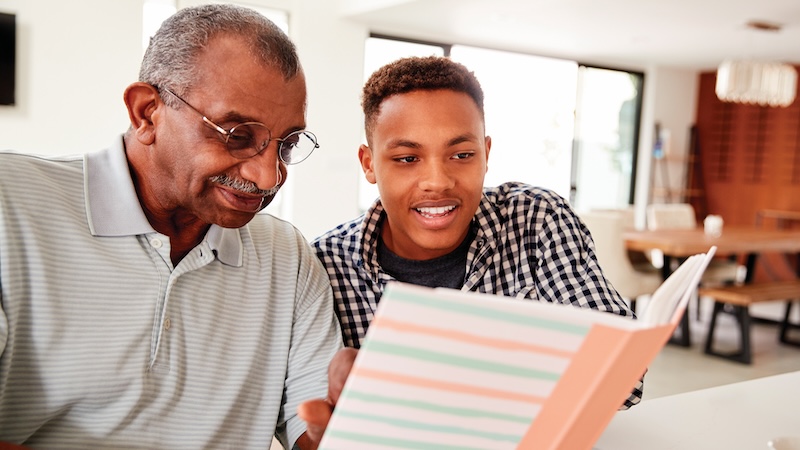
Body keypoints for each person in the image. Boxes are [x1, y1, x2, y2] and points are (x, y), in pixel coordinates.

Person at [0, 4, 350, 449]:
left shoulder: (287, 256)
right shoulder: (9, 205)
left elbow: (315, 432)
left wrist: (350, 426)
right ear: (147, 112)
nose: (268, 177)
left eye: (287, 144)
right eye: (237, 135)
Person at [313, 55, 643, 409]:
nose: (438, 182)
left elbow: (623, 376)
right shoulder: (325, 265)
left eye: (462, 154)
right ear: (369, 164)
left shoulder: (536, 220)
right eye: (408, 159)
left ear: (486, 154)